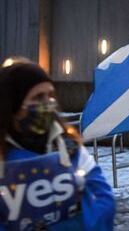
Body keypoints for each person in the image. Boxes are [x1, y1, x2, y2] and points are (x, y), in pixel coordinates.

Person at [0, 60, 115, 230]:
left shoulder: (69, 147)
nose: (47, 103)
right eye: (38, 97)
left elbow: (103, 199)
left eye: (50, 95)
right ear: (13, 106)